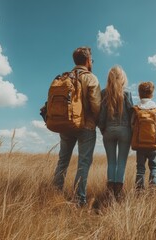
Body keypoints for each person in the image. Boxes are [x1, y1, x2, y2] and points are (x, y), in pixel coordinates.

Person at [53, 46, 101, 207]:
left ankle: (55, 193)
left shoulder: (65, 77)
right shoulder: (90, 78)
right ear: (88, 60)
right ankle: (79, 200)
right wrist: (98, 121)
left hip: (66, 125)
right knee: (83, 163)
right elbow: (96, 105)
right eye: (91, 60)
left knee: (62, 161)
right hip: (86, 127)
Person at [98, 65, 133, 201]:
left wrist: (102, 128)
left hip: (108, 130)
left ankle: (109, 194)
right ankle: (119, 195)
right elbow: (131, 114)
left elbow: (101, 115)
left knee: (111, 162)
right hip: (125, 131)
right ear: (122, 78)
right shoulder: (127, 94)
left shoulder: (103, 93)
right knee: (121, 163)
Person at [133, 81, 156, 191]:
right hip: (153, 144)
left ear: (139, 94)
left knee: (140, 168)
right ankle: (153, 189)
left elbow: (132, 125)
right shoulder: (155, 108)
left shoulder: (137, 108)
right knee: (154, 167)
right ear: (152, 94)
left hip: (140, 144)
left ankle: (139, 190)